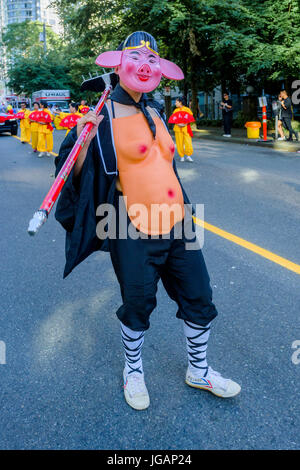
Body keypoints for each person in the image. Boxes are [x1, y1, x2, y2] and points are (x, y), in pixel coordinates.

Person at [54, 31, 241, 411]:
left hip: (178, 223)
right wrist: (83, 141)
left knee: (200, 297)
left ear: (160, 70)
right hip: (130, 222)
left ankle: (199, 370)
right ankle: (133, 372)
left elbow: (165, 166)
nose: (144, 64)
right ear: (118, 64)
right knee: (138, 303)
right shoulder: (101, 117)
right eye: (135, 56)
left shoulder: (156, 111)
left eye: (152, 58)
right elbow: (72, 176)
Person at [173, 97, 194, 162]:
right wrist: (178, 124)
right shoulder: (175, 110)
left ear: (180, 102)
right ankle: (181, 156)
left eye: (176, 102)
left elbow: (190, 118)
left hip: (186, 128)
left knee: (188, 142)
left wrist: (185, 124)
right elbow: (174, 119)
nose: (175, 103)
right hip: (178, 128)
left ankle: (188, 155)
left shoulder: (187, 109)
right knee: (179, 142)